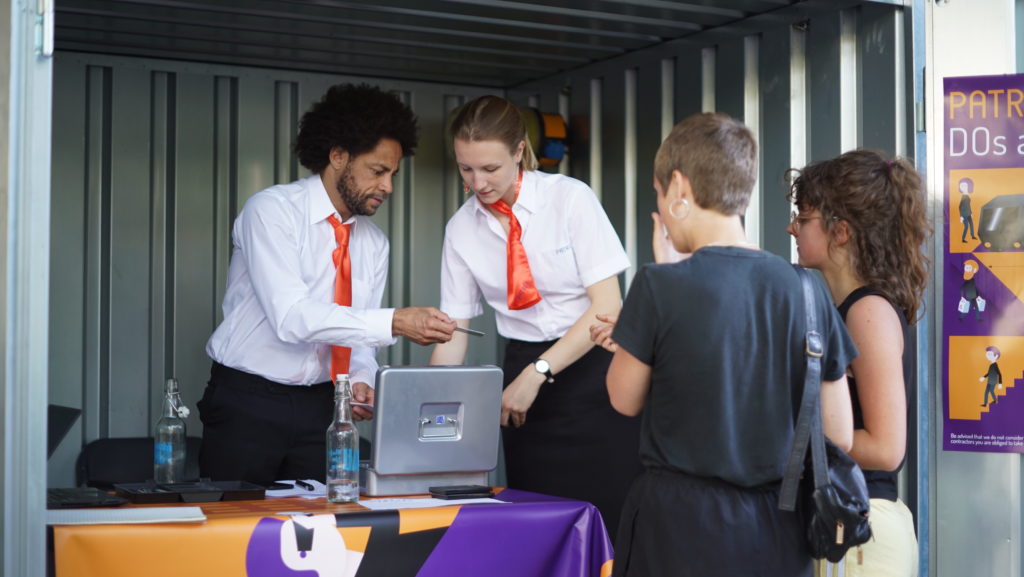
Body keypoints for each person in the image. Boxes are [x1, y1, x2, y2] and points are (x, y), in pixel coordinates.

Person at [594, 112, 856, 576]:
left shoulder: (657, 285)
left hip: (675, 529)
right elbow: (838, 434)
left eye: (658, 192)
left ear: (678, 187)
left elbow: (623, 398)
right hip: (776, 528)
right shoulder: (807, 290)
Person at [200, 83, 456, 486]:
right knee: (234, 528)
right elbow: (292, 318)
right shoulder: (271, 211)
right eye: (378, 171)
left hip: (324, 408)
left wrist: (362, 379)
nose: (388, 187)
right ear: (338, 156)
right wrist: (395, 322)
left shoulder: (374, 243)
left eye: (393, 174)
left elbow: (357, 340)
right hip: (247, 404)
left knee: (322, 530)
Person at [428, 95, 642, 535]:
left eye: (490, 169)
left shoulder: (570, 199)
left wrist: (536, 374)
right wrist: (430, 413)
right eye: (466, 168)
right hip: (521, 381)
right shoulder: (460, 228)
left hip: (596, 368)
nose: (478, 182)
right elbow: (455, 333)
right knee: (538, 522)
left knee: (610, 520)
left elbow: (607, 308)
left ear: (520, 151)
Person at [787, 149, 929, 577]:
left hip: (862, 530)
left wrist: (792, 443)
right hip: (845, 526)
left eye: (803, 217)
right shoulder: (843, 307)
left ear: (841, 231)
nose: (791, 227)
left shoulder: (867, 311)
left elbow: (886, 449)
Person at [958, 177, 976, 243]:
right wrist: (961, 216)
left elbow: (968, 205)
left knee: (971, 224)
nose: (962, 187)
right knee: (966, 226)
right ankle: (963, 239)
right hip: (964, 215)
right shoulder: (963, 197)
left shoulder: (967, 196)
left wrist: (971, 213)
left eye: (964, 185)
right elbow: (959, 207)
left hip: (968, 213)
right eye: (961, 185)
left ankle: (972, 236)